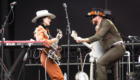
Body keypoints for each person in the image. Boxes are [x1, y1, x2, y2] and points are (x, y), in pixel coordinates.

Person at [75, 8, 126, 80]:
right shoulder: (100, 27)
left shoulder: (106, 22)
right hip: (113, 49)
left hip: (118, 48)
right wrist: (92, 48)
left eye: (92, 17)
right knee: (98, 72)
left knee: (100, 62)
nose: (91, 19)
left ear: (98, 16)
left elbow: (98, 36)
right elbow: (97, 40)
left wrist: (82, 39)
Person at [32, 10, 64, 80]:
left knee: (59, 77)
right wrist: (54, 40)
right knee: (58, 77)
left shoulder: (45, 30)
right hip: (45, 55)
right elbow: (40, 41)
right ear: (43, 19)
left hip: (48, 55)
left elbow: (50, 44)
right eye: (48, 18)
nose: (50, 20)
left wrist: (57, 38)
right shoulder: (40, 28)